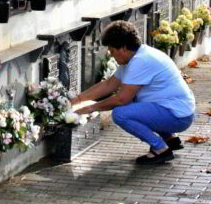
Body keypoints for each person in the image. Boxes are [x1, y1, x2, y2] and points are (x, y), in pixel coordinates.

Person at [71, 20, 195, 165]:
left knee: (121, 113)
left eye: (112, 50)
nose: (111, 55)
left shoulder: (140, 61)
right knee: (136, 102)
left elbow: (122, 99)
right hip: (178, 110)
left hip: (177, 116)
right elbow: (109, 84)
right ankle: (170, 139)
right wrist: (77, 99)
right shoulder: (136, 56)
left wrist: (91, 108)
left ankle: (161, 149)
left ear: (123, 48)